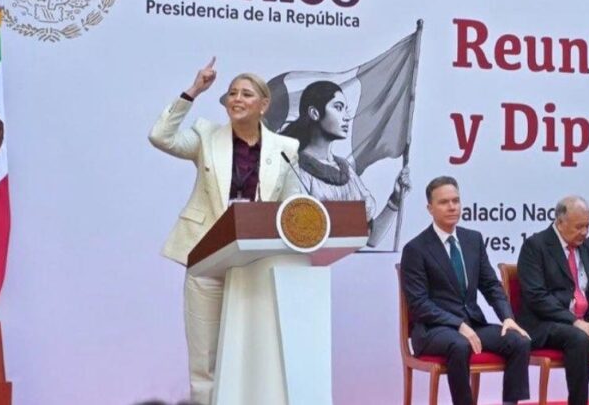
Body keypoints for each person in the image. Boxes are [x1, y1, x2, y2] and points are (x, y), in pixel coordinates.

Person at [148, 58, 302, 404]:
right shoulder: (206, 136)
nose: (236, 98)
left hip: (258, 264)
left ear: (263, 106)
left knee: (257, 355)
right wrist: (193, 91)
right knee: (206, 360)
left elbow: (291, 208)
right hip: (207, 258)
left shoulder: (286, 150)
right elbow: (160, 136)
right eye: (232, 92)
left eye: (246, 94)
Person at [399, 176, 531, 405]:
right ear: (430, 208)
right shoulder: (415, 249)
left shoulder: (473, 240)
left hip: (472, 324)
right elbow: (419, 304)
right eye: (444, 202)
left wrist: (508, 317)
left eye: (456, 200)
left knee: (519, 341)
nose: (452, 207)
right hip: (433, 330)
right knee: (459, 344)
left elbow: (490, 285)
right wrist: (458, 325)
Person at [517, 196, 589, 405]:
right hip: (545, 323)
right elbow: (537, 297)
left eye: (587, 226)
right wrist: (575, 322)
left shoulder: (587, 246)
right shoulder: (535, 246)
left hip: (585, 320)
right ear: (560, 222)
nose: (584, 232)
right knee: (578, 338)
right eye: (578, 227)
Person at [279, 80, 410, 247]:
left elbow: (371, 239)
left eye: (346, 110)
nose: (347, 117)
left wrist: (395, 200)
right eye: (338, 108)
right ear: (314, 113)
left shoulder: (346, 170)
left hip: (351, 270)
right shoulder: (294, 169)